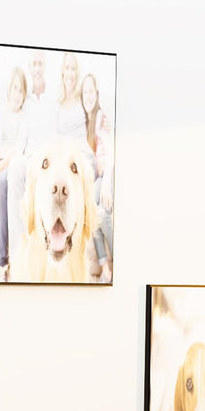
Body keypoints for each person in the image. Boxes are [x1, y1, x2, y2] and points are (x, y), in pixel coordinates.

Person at [6, 53, 59, 273]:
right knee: (16, 167)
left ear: (44, 66)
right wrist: (6, 162)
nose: (37, 68)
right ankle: (18, 253)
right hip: (29, 161)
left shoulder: (53, 100)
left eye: (40, 63)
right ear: (30, 67)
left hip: (47, 162)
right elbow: (21, 141)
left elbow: (57, 137)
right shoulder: (26, 104)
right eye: (33, 64)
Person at [0, 67, 26, 281]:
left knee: (3, 183)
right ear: (9, 89)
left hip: (10, 165)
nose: (17, 94)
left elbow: (18, 148)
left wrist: (0, 167)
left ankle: (2, 259)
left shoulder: (25, 118)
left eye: (21, 91)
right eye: (15, 88)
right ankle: (2, 259)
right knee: (0, 182)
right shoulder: (0, 113)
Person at [81, 73, 114, 282]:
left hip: (108, 177)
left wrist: (107, 182)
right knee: (94, 212)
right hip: (97, 180)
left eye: (91, 91)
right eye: (85, 92)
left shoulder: (101, 118)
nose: (88, 96)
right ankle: (105, 268)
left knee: (100, 212)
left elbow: (111, 152)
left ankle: (112, 260)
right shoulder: (86, 123)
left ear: (97, 93)